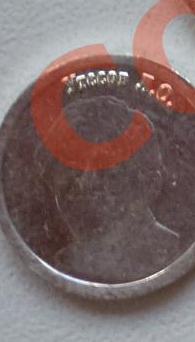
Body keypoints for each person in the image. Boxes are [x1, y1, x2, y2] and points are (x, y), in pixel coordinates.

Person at [36, 95, 181, 281]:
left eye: (104, 174)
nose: (84, 186)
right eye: (70, 180)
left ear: (148, 184)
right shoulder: (62, 264)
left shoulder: (171, 250)